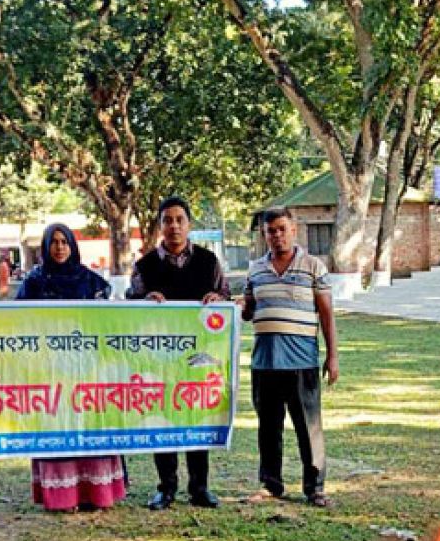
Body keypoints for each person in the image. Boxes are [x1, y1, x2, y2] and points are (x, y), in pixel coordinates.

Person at [127, 197, 232, 509]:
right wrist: (145, 300)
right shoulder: (144, 265)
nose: (173, 226)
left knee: (196, 418)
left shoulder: (208, 261)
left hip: (200, 358)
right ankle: (166, 488)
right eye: (167, 220)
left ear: (189, 225)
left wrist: (217, 298)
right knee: (163, 420)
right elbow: (129, 305)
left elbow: (226, 299)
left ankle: (199, 488)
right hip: (159, 359)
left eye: (179, 220)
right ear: (160, 226)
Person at [18, 223, 128, 513]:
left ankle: (98, 493)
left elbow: (109, 324)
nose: (59, 247)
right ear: (45, 247)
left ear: (72, 246)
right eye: (53, 242)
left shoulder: (92, 282)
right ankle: (62, 497)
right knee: (59, 427)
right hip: (51, 370)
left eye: (64, 242)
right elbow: (16, 322)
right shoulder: (33, 283)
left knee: (93, 426)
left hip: (88, 370)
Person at [242, 207, 339, 507]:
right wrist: (231, 306)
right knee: (268, 428)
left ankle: (315, 488)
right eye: (271, 231)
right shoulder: (255, 269)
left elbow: (326, 313)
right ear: (264, 234)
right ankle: (271, 484)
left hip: (302, 363)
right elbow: (247, 311)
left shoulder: (313, 266)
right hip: (265, 364)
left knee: (308, 428)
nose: (277, 236)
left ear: (293, 229)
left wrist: (332, 356)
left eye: (282, 229)